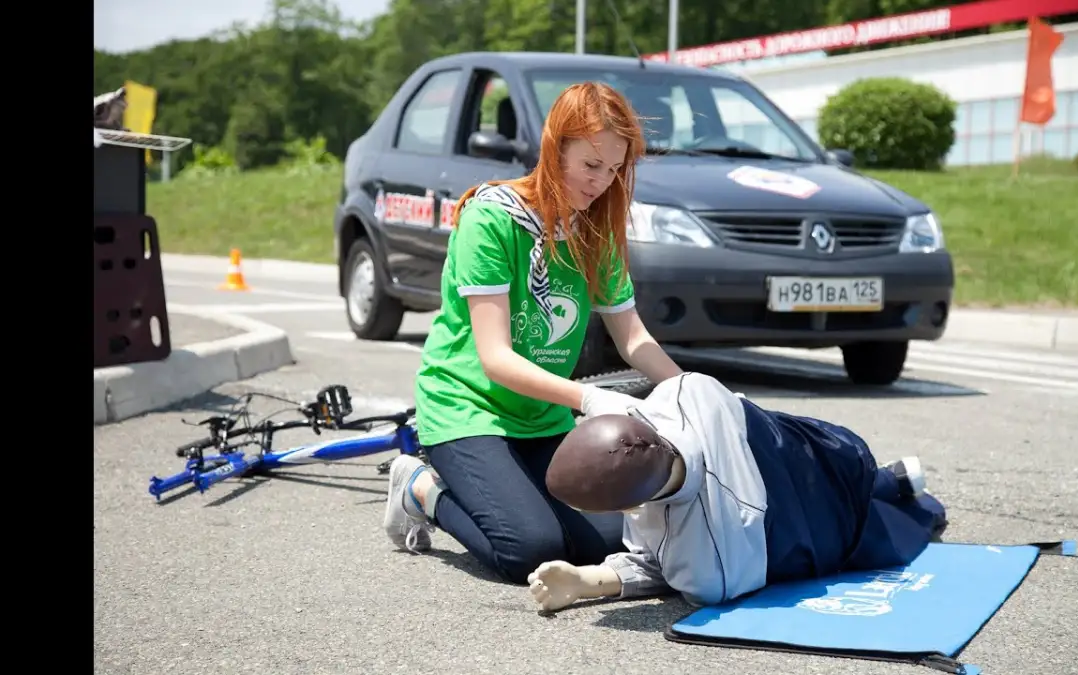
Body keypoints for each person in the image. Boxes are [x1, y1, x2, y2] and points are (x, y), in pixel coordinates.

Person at [381, 82, 686, 584]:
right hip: (467, 409)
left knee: (608, 543)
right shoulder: (490, 219)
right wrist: (589, 399)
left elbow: (633, 339)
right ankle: (419, 488)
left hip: (541, 416)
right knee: (530, 549)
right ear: (555, 147)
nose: (602, 182)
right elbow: (496, 358)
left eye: (614, 169)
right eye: (591, 165)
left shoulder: (596, 229)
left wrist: (691, 392)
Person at [525, 372, 950, 612]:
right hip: (827, 451)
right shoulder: (685, 391)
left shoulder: (710, 567)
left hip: (815, 518)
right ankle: (889, 480)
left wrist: (590, 582)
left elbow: (658, 569)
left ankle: (913, 501)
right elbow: (601, 402)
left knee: (892, 526)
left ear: (631, 505)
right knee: (860, 473)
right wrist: (582, 580)